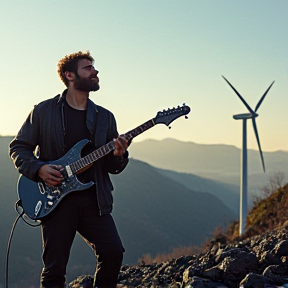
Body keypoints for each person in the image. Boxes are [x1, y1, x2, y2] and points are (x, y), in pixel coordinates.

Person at [9, 51, 130, 288]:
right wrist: (39, 169)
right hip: (55, 200)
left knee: (113, 252)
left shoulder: (105, 117)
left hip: (94, 199)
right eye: (88, 68)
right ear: (70, 75)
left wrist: (119, 155)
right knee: (54, 271)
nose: (95, 72)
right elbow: (18, 148)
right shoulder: (43, 111)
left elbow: (113, 167)